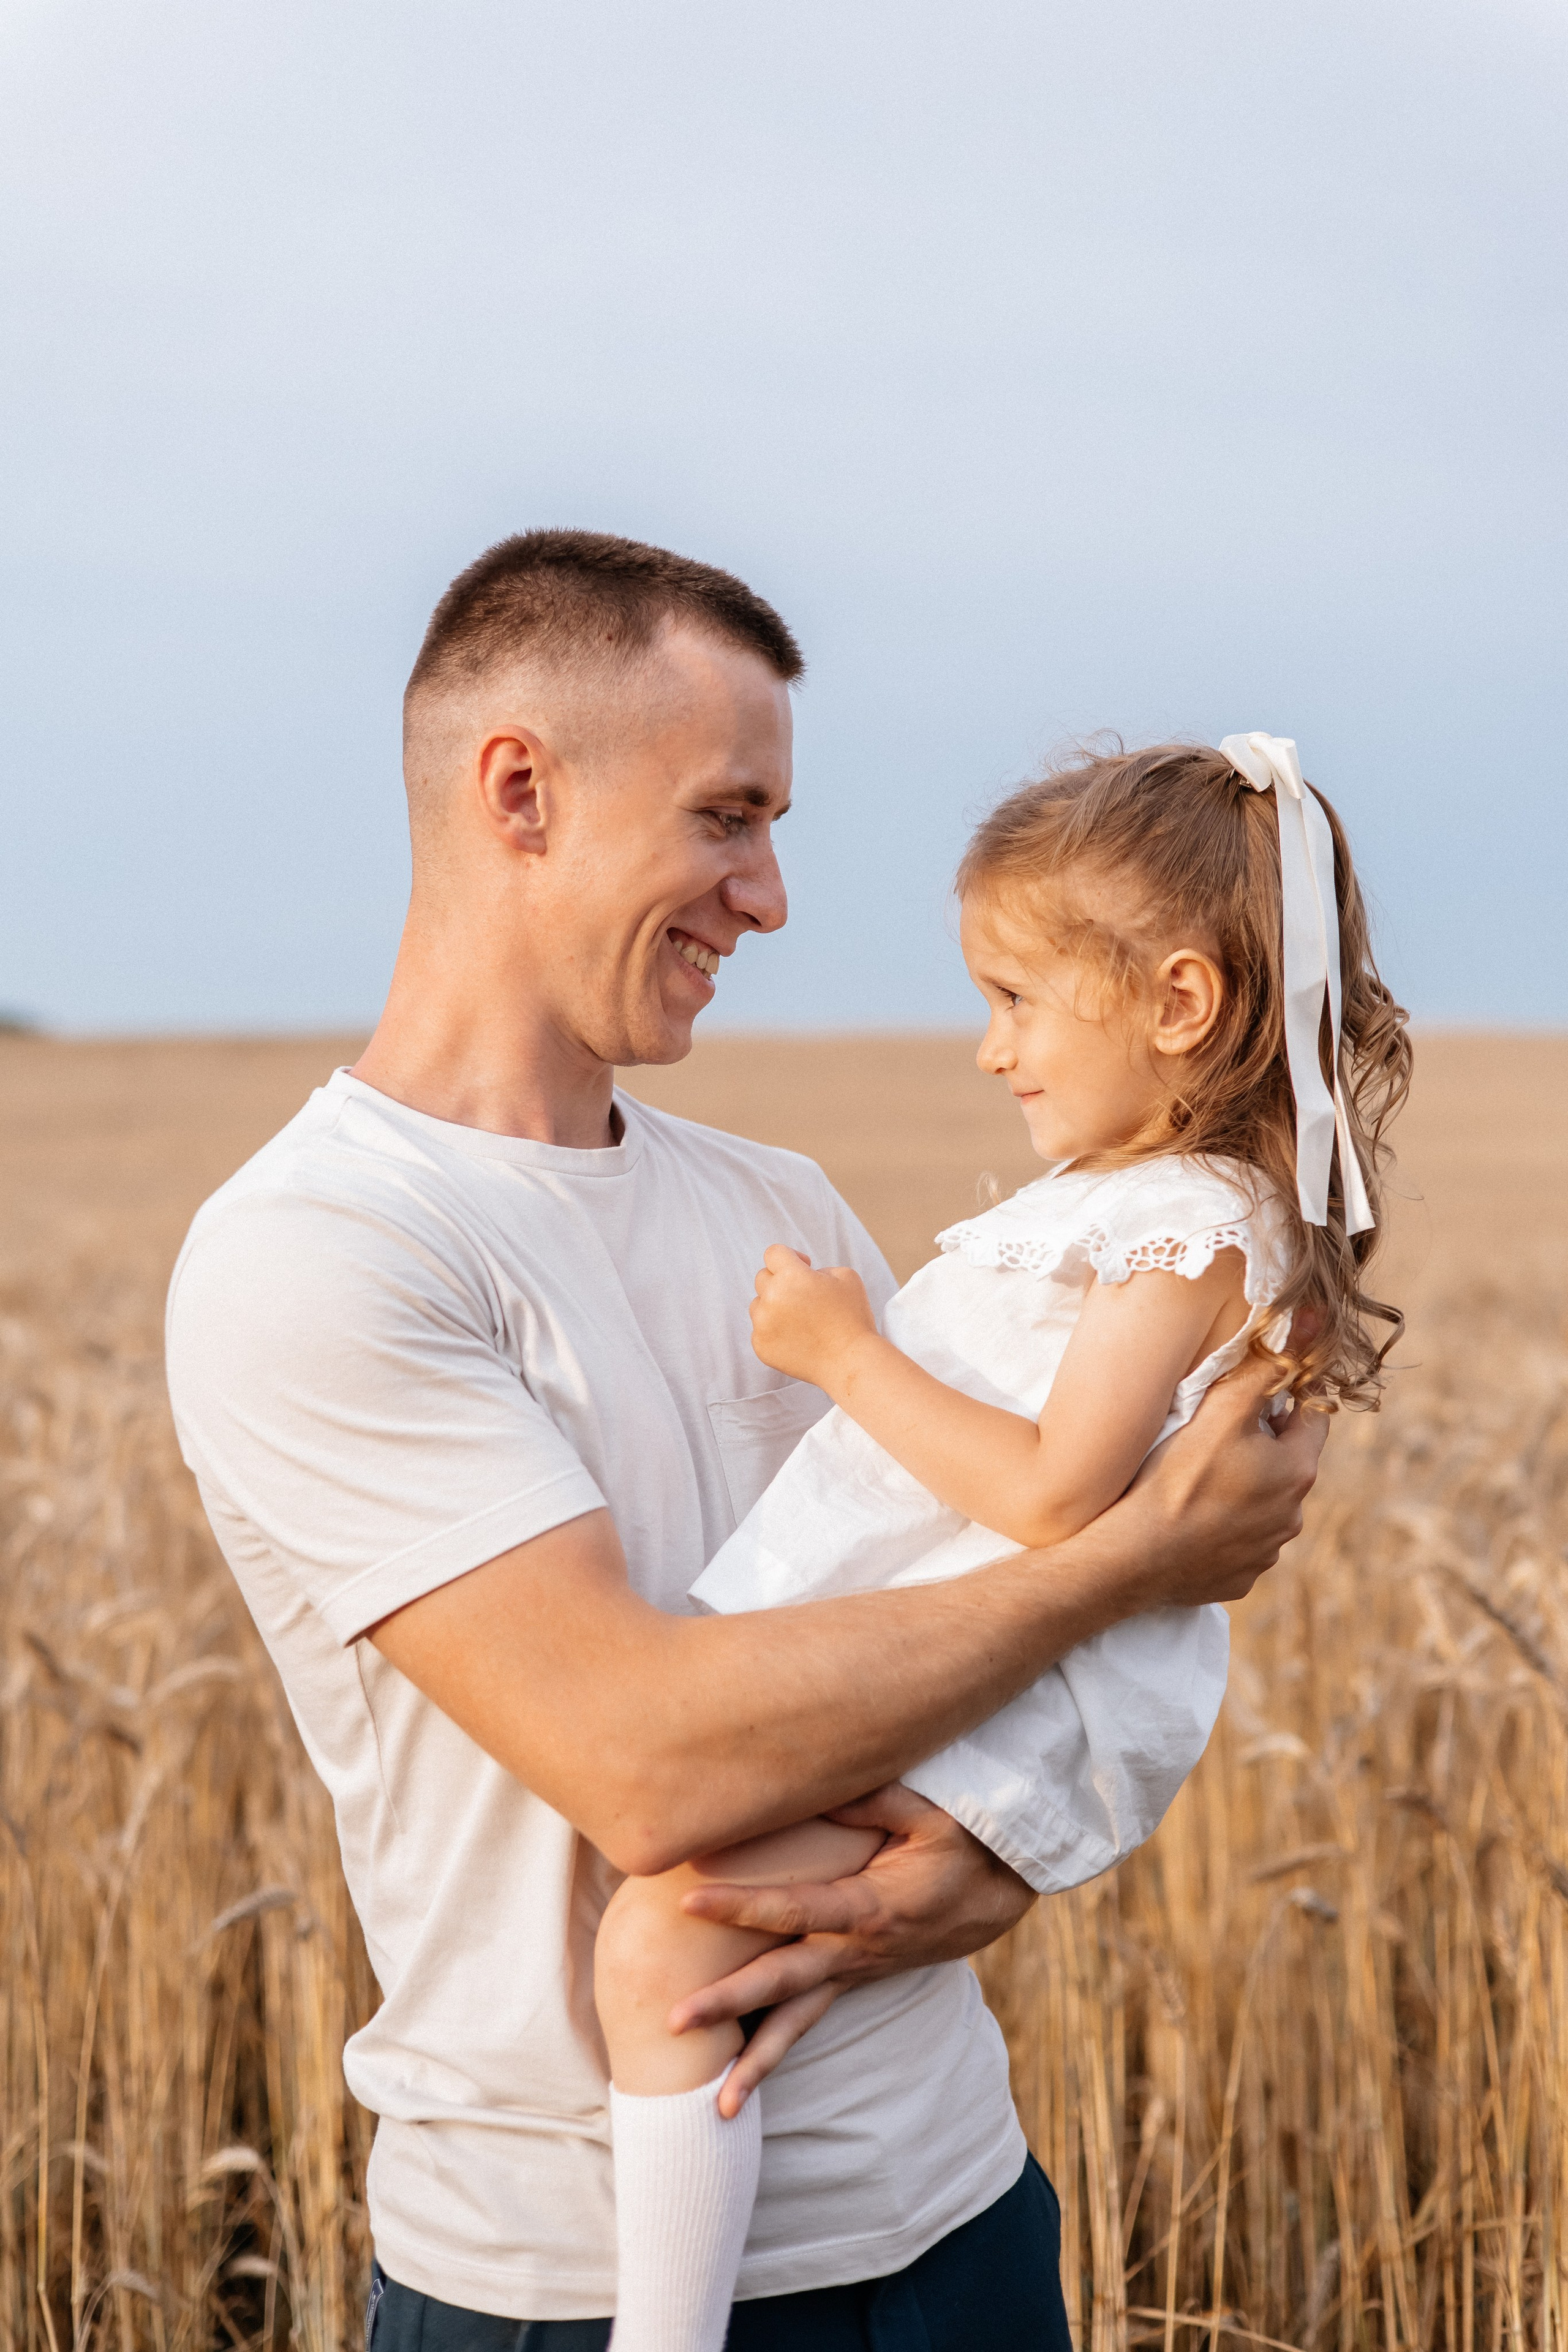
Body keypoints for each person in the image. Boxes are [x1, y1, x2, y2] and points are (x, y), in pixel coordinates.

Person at [164, 532, 1328, 2352]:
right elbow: (647, 1764)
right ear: (521, 791)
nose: (771, 895)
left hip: (961, 2219)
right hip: (575, 2286)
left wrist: (1001, 1864)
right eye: (729, 816)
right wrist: (1145, 1550)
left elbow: (1012, 1603)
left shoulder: (778, 1206)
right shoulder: (319, 1254)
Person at [593, 736, 1409, 2350]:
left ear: (1177, 1007)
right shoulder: (1142, 1203)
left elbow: (1052, 1494)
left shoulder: (1187, 1224)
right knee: (690, 1932)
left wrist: (845, 1355)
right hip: (960, 1664)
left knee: (660, 1943)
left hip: (992, 1688)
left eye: (1020, 1001)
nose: (991, 1051)